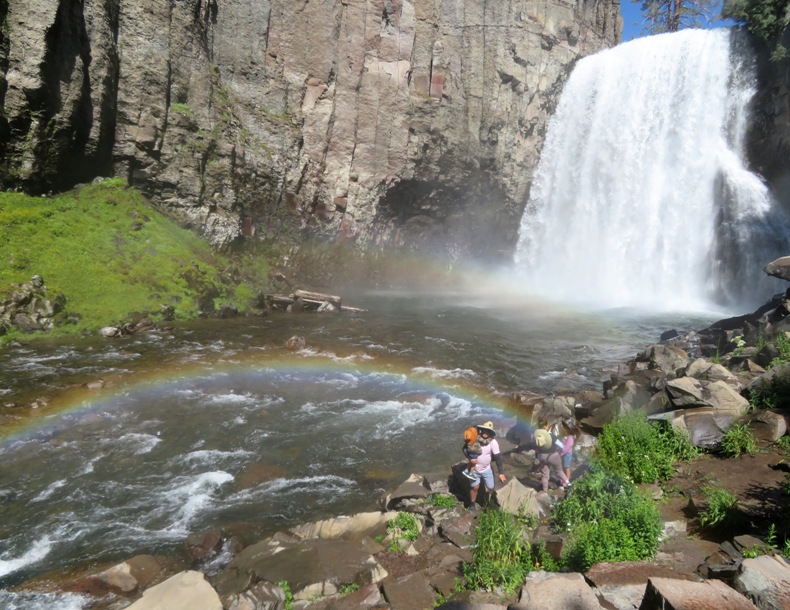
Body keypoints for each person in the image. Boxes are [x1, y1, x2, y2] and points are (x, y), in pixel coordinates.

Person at [467, 421, 507, 511]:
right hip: (475, 469)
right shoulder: (474, 438)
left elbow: (498, 458)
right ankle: (472, 503)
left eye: (488, 431)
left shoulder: (493, 442)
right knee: (474, 487)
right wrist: (470, 459)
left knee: (490, 487)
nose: (485, 433)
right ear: (481, 430)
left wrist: (501, 473)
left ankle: (489, 502)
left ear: (490, 433)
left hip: (487, 469)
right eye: (484, 430)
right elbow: (465, 450)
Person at [534, 419, 570, 492]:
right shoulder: (550, 435)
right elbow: (561, 446)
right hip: (553, 456)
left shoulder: (536, 435)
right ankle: (569, 484)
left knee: (545, 475)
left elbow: (536, 448)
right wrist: (562, 452)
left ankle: (545, 492)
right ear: (546, 426)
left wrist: (537, 456)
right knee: (559, 471)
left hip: (542, 457)